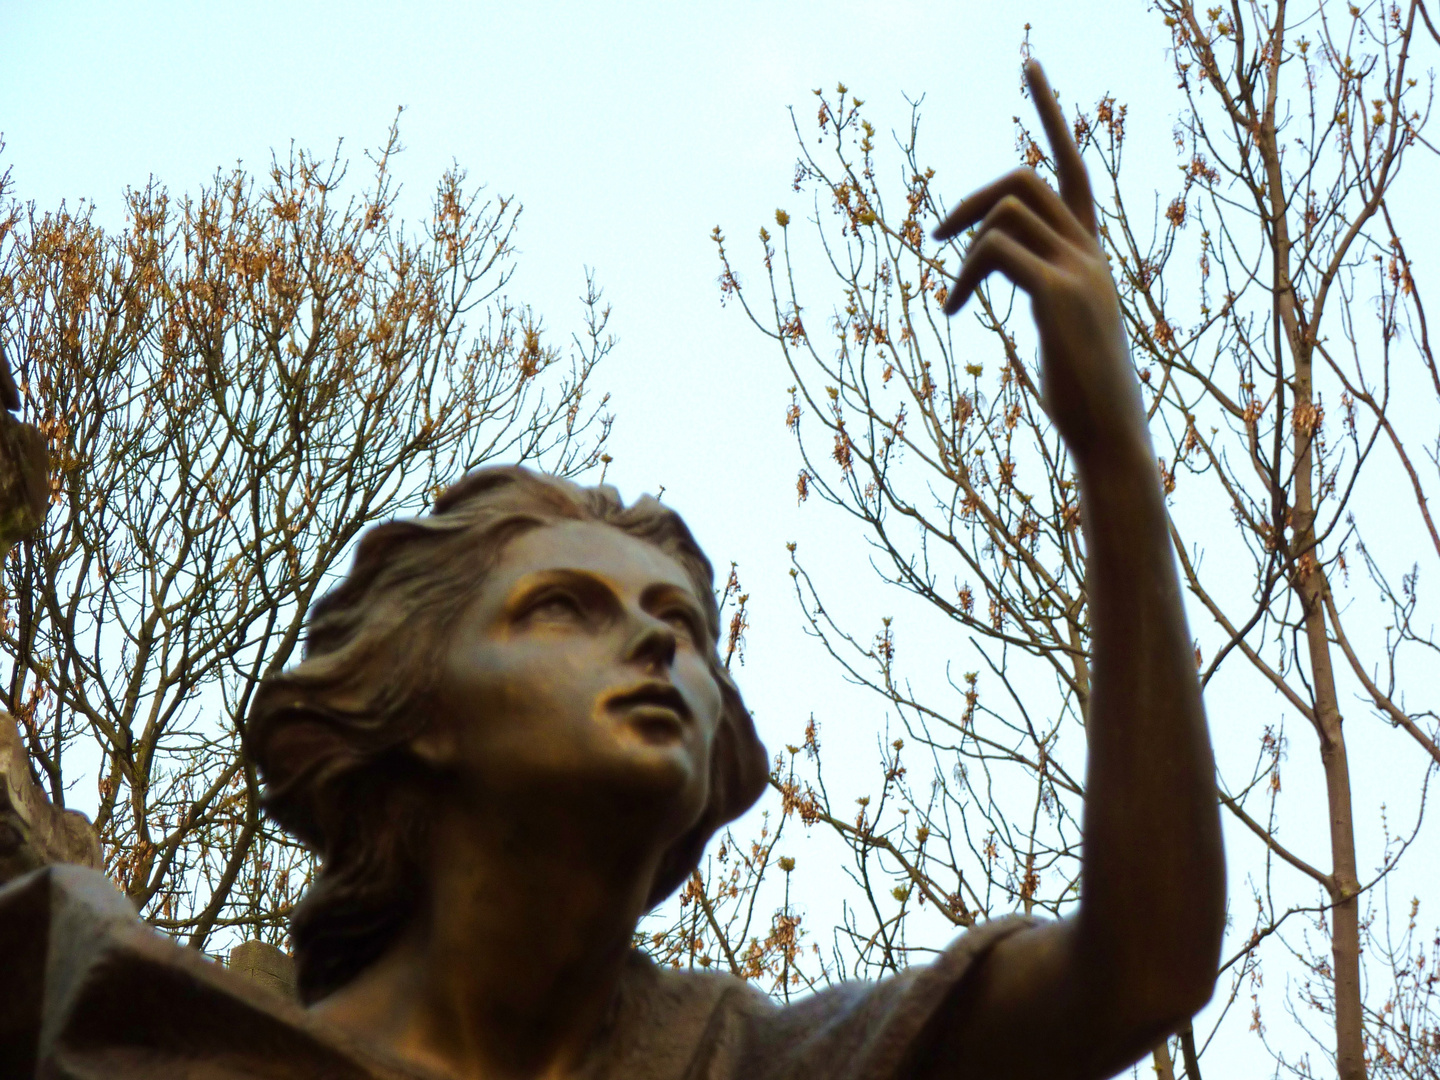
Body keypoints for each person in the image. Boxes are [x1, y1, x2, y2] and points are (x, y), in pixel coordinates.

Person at [0, 61, 1223, 1080]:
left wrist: (1113, 450)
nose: (660, 649)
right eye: (564, 609)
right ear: (419, 712)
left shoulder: (748, 1062)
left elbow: (1139, 969)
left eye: (684, 628)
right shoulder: (149, 1043)